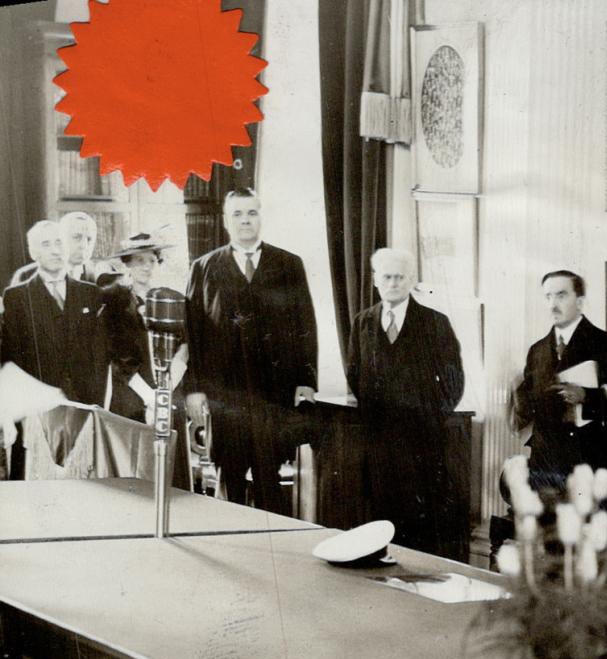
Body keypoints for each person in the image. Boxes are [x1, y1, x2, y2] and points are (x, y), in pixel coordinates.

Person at [182, 188, 318, 512]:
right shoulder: (204, 268)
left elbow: (305, 326)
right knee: (228, 475)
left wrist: (306, 381)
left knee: (270, 475)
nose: (245, 220)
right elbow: (193, 333)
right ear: (227, 221)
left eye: (251, 213)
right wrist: (195, 389)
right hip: (224, 395)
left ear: (261, 217)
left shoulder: (288, 265)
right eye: (238, 215)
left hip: (273, 393)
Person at [346, 248, 466, 556]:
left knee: (418, 521)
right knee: (380, 514)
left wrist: (430, 416)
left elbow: (454, 381)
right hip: (378, 439)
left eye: (401, 277)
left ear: (411, 280)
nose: (394, 283)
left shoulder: (435, 323)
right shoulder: (363, 322)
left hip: (422, 440)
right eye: (387, 276)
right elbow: (355, 374)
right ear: (375, 280)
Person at [513, 270, 607, 491]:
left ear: (579, 302)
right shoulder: (538, 350)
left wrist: (587, 397)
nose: (553, 304)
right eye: (548, 297)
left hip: (588, 461)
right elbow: (530, 400)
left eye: (561, 295)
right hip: (545, 463)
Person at [0, 220, 107, 409]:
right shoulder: (16, 297)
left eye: (59, 243)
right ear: (33, 253)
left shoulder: (90, 293)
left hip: (85, 405)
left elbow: (99, 356)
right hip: (37, 408)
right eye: (46, 244)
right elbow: (12, 359)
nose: (55, 250)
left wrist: (96, 403)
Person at [97, 232, 181, 421]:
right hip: (131, 396)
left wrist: (164, 393)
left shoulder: (172, 300)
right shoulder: (115, 304)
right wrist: (150, 397)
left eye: (152, 260)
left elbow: (184, 349)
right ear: (127, 264)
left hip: (169, 394)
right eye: (139, 260)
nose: (146, 267)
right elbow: (119, 360)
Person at [7, 210, 106, 290]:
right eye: (77, 237)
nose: (84, 245)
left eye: (89, 239)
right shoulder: (26, 275)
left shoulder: (100, 277)